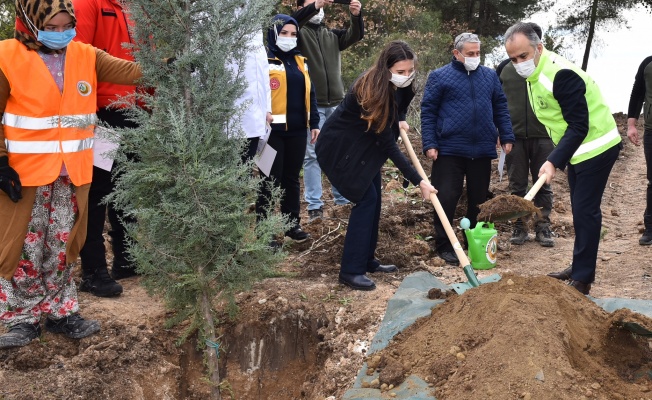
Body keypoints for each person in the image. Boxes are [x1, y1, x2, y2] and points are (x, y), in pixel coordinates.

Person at [0, 0, 142, 349]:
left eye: (67, 25)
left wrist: (176, 61)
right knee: (26, 246)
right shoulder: (6, 56)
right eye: (54, 25)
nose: (61, 33)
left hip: (72, 172)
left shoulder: (85, 54)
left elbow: (133, 72)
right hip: (26, 172)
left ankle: (62, 311)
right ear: (32, 23)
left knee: (63, 242)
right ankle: (23, 318)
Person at [505, 22, 622, 295]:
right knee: (581, 211)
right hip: (578, 151)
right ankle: (579, 266)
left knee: (586, 211)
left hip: (597, 147)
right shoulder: (534, 75)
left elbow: (579, 125)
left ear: (538, 48)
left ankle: (582, 280)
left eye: (523, 56)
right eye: (513, 59)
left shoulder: (560, 75)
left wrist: (554, 160)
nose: (519, 63)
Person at [316, 40, 436, 291]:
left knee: (375, 198)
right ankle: (350, 270)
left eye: (409, 71)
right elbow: (388, 146)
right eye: (400, 72)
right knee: (366, 200)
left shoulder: (402, 84)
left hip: (364, 148)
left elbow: (399, 107)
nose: (406, 76)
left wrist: (400, 120)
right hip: (341, 149)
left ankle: (367, 260)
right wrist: (419, 181)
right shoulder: (369, 89)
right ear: (386, 68)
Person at [421, 32, 515, 266]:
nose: (475, 57)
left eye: (478, 53)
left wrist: (506, 134)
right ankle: (445, 245)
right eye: (470, 54)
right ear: (457, 53)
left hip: (482, 149)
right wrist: (430, 143)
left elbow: (500, 106)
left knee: (478, 200)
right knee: (447, 198)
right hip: (449, 149)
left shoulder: (490, 76)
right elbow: (428, 111)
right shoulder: (439, 76)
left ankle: (472, 240)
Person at [72, 0, 139, 298]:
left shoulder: (132, 9)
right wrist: (90, 111)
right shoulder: (88, 3)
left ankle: (127, 257)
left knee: (127, 187)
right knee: (98, 192)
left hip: (132, 109)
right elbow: (77, 58)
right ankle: (93, 269)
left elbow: (138, 60)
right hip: (102, 111)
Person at [292, 0, 364, 222]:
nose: (320, 8)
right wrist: (312, 6)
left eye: (321, 5)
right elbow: (294, 21)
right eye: (314, 3)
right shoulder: (297, 33)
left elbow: (355, 35)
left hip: (336, 103)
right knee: (312, 155)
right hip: (310, 104)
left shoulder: (331, 34)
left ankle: (342, 200)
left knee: (339, 150)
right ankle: (315, 205)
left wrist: (355, 14)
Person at [257, 14, 318, 245]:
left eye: (293, 34)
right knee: (268, 179)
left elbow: (310, 93)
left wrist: (314, 124)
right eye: (284, 33)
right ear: (274, 33)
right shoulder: (264, 59)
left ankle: (291, 225)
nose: (289, 38)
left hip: (297, 130)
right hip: (269, 132)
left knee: (291, 179)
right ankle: (265, 231)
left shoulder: (301, 60)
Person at [495, 23, 555, 248]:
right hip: (514, 136)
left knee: (543, 184)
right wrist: (500, 131)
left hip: (544, 136)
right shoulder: (504, 68)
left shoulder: (550, 67)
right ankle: (519, 226)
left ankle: (543, 226)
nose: (520, 60)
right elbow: (497, 102)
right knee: (517, 184)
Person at [626, 55, 652, 245]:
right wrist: (631, 124)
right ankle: (650, 227)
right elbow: (637, 93)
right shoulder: (648, 63)